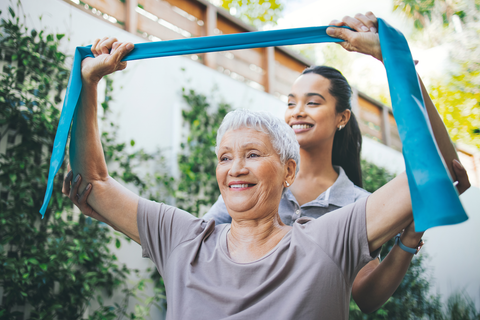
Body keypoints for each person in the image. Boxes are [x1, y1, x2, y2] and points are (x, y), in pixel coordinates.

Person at [63, 13, 470, 319]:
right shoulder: (184, 237)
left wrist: (393, 60)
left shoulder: (328, 237)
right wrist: (89, 84)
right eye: (225, 158)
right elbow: (94, 184)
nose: (235, 168)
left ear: (288, 173)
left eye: (253, 155)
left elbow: (434, 171)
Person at [201, 14, 471, 313]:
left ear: (342, 117)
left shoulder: (356, 203)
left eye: (313, 102)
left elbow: (366, 297)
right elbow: (199, 248)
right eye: (291, 103)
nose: (297, 112)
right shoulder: (255, 181)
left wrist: (391, 56)